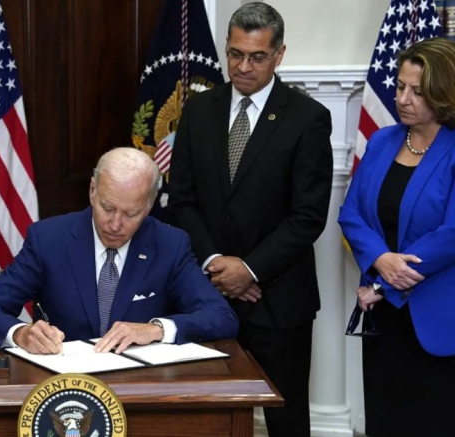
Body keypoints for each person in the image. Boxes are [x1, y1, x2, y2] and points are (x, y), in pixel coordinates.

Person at [166, 3, 333, 436]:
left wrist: (251, 269)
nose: (242, 66)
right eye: (235, 53)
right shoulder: (199, 111)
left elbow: (308, 216)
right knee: (205, 415)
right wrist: (217, 264)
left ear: (279, 54)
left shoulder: (307, 118)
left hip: (278, 299)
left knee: (286, 418)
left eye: (256, 57)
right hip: (207, 292)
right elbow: (180, 201)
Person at [338, 38, 455, 437]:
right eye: (400, 86)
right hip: (389, 323)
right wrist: (379, 261)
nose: (403, 98)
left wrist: (383, 283)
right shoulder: (384, 141)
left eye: (417, 91)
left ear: (447, 93)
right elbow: (351, 214)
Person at [0, 147, 238, 354]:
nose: (115, 224)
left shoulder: (170, 244)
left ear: (150, 205)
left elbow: (222, 317)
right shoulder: (48, 240)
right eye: (107, 208)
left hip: (141, 388)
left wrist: (156, 329)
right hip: (63, 385)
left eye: (131, 213)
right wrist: (21, 333)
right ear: (92, 191)